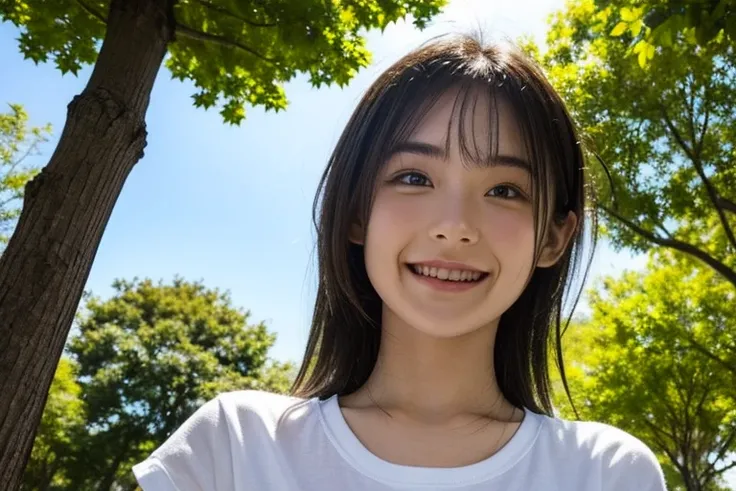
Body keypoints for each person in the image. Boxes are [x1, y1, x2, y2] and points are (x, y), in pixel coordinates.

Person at [132, 34, 668, 491]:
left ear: (554, 238)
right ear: (356, 213)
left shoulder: (605, 472)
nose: (454, 225)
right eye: (414, 178)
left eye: (505, 189)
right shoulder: (234, 448)